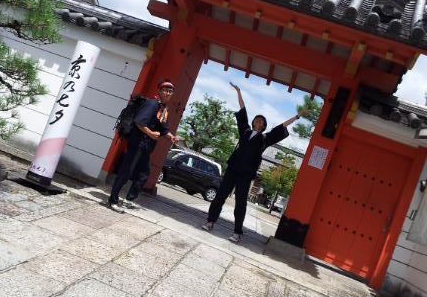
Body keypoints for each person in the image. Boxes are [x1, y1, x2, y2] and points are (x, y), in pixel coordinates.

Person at [202, 82, 307, 242]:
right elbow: (243, 110)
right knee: (220, 196)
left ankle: (237, 232)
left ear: (264, 125)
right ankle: (210, 222)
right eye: (256, 120)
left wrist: (297, 116)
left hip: (246, 173)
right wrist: (238, 92)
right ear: (253, 123)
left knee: (240, 203)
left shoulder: (265, 138)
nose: (257, 122)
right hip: (233, 168)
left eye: (261, 121)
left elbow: (281, 127)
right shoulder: (245, 131)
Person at [108, 79, 179, 213]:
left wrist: (171, 136)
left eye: (171, 91)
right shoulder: (152, 104)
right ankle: (113, 200)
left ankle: (128, 200)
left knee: (143, 174)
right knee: (126, 172)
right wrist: (151, 133)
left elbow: (163, 128)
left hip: (146, 146)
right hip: (137, 143)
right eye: (166, 90)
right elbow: (139, 122)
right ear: (159, 91)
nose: (168, 93)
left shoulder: (163, 109)